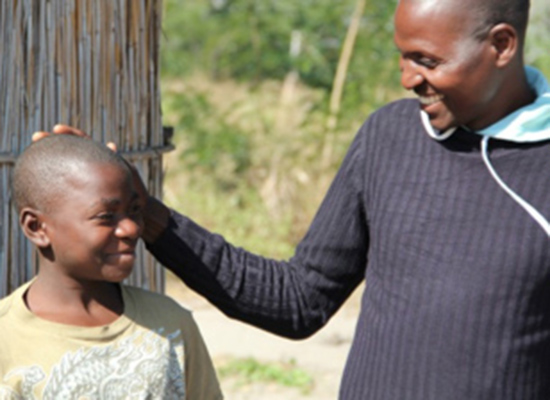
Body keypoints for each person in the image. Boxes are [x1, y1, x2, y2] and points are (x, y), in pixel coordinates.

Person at [35, 0, 550, 398]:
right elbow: (299, 301)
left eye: (427, 60)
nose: (407, 78)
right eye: (402, 56)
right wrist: (147, 215)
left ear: (501, 45)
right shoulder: (390, 138)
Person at [0, 135, 223, 399]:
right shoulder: (7, 338)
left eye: (135, 210)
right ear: (36, 228)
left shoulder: (170, 325)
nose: (131, 228)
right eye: (106, 216)